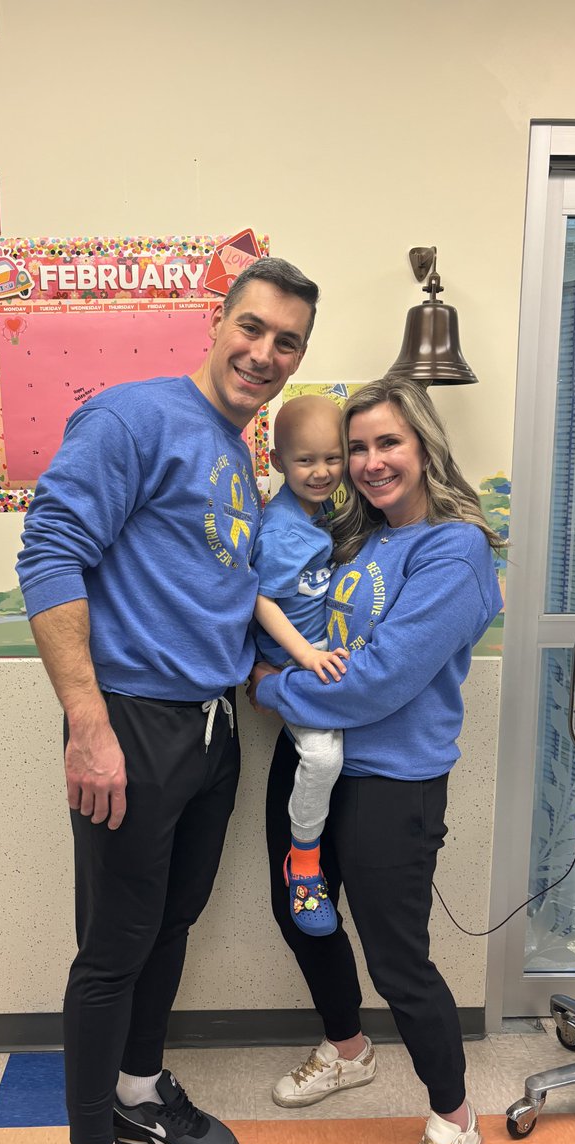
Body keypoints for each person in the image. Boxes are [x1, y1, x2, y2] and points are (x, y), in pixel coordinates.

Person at [16, 257, 319, 1144]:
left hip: (210, 729)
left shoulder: (234, 450)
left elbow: (209, 585)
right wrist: (88, 726)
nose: (265, 354)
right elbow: (50, 552)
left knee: (172, 923)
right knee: (113, 946)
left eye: (288, 343)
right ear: (217, 322)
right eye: (253, 328)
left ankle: (140, 1091)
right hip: (133, 728)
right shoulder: (134, 418)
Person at [249, 376, 504, 1144]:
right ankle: (349, 1051)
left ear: (424, 444)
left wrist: (266, 687)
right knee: (301, 912)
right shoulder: (355, 538)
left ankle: (454, 1122)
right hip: (314, 762)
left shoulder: (453, 550)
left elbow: (377, 682)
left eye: (386, 443)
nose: (368, 462)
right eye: (356, 448)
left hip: (393, 780)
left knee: (399, 961)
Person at [252, 393, 348, 937]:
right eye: (305, 460)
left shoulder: (319, 511)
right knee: (322, 755)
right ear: (277, 462)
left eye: (332, 458)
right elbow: (261, 599)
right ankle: (305, 861)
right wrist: (304, 655)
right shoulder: (284, 530)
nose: (321, 471)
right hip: (291, 665)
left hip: (314, 658)